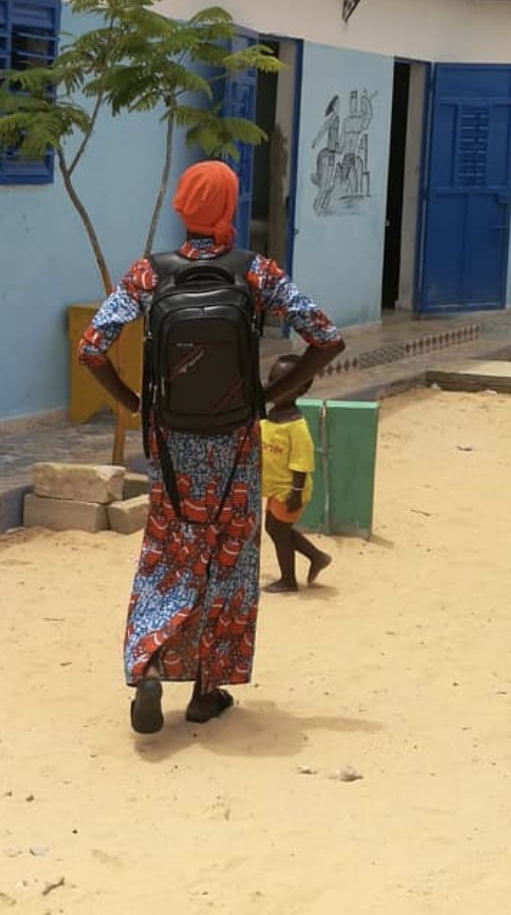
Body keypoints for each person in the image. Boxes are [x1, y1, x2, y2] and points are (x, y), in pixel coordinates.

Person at [79, 160, 344, 734]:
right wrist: (268, 393)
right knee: (229, 558)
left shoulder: (150, 273)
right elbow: (326, 337)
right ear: (229, 206)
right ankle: (206, 690)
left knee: (167, 554)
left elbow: (92, 347)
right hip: (236, 441)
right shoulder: (256, 272)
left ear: (182, 205)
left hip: (171, 442)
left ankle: (149, 666)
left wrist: (133, 404)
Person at [260, 354, 332, 593]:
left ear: (301, 388)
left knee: (278, 532)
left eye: (283, 384)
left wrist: (296, 493)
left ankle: (288, 580)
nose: (274, 388)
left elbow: (302, 462)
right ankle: (317, 556)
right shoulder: (271, 416)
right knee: (276, 529)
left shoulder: (295, 425)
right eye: (271, 381)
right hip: (275, 488)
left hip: (290, 490)